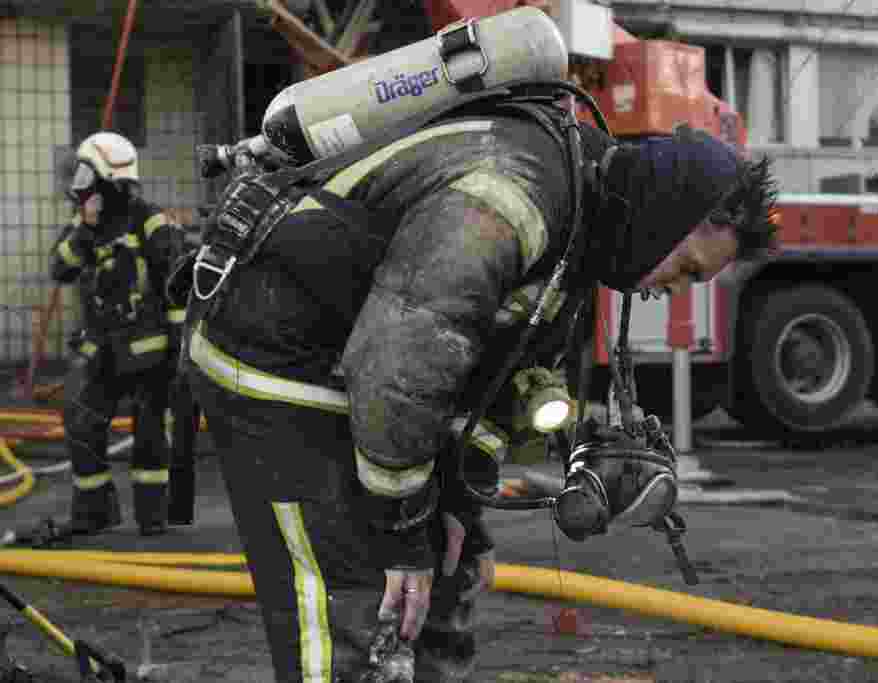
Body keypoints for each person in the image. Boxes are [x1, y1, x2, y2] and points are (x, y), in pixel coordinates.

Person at [183, 86, 778, 682]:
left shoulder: (579, 225)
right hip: (273, 354)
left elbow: (499, 383)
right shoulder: (509, 197)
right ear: (667, 218)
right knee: (356, 594)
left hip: (352, 362)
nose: (673, 288)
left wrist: (461, 510)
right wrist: (401, 534)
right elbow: (400, 367)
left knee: (444, 567)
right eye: (687, 268)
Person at [50, 131, 187, 537]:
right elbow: (61, 268)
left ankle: (152, 516)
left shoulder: (150, 221)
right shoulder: (85, 225)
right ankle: (95, 511)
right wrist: (86, 229)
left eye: (84, 174)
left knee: (151, 435)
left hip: (150, 353)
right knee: (81, 424)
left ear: (105, 178)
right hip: (101, 352)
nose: (78, 184)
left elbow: (177, 288)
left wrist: (179, 351)